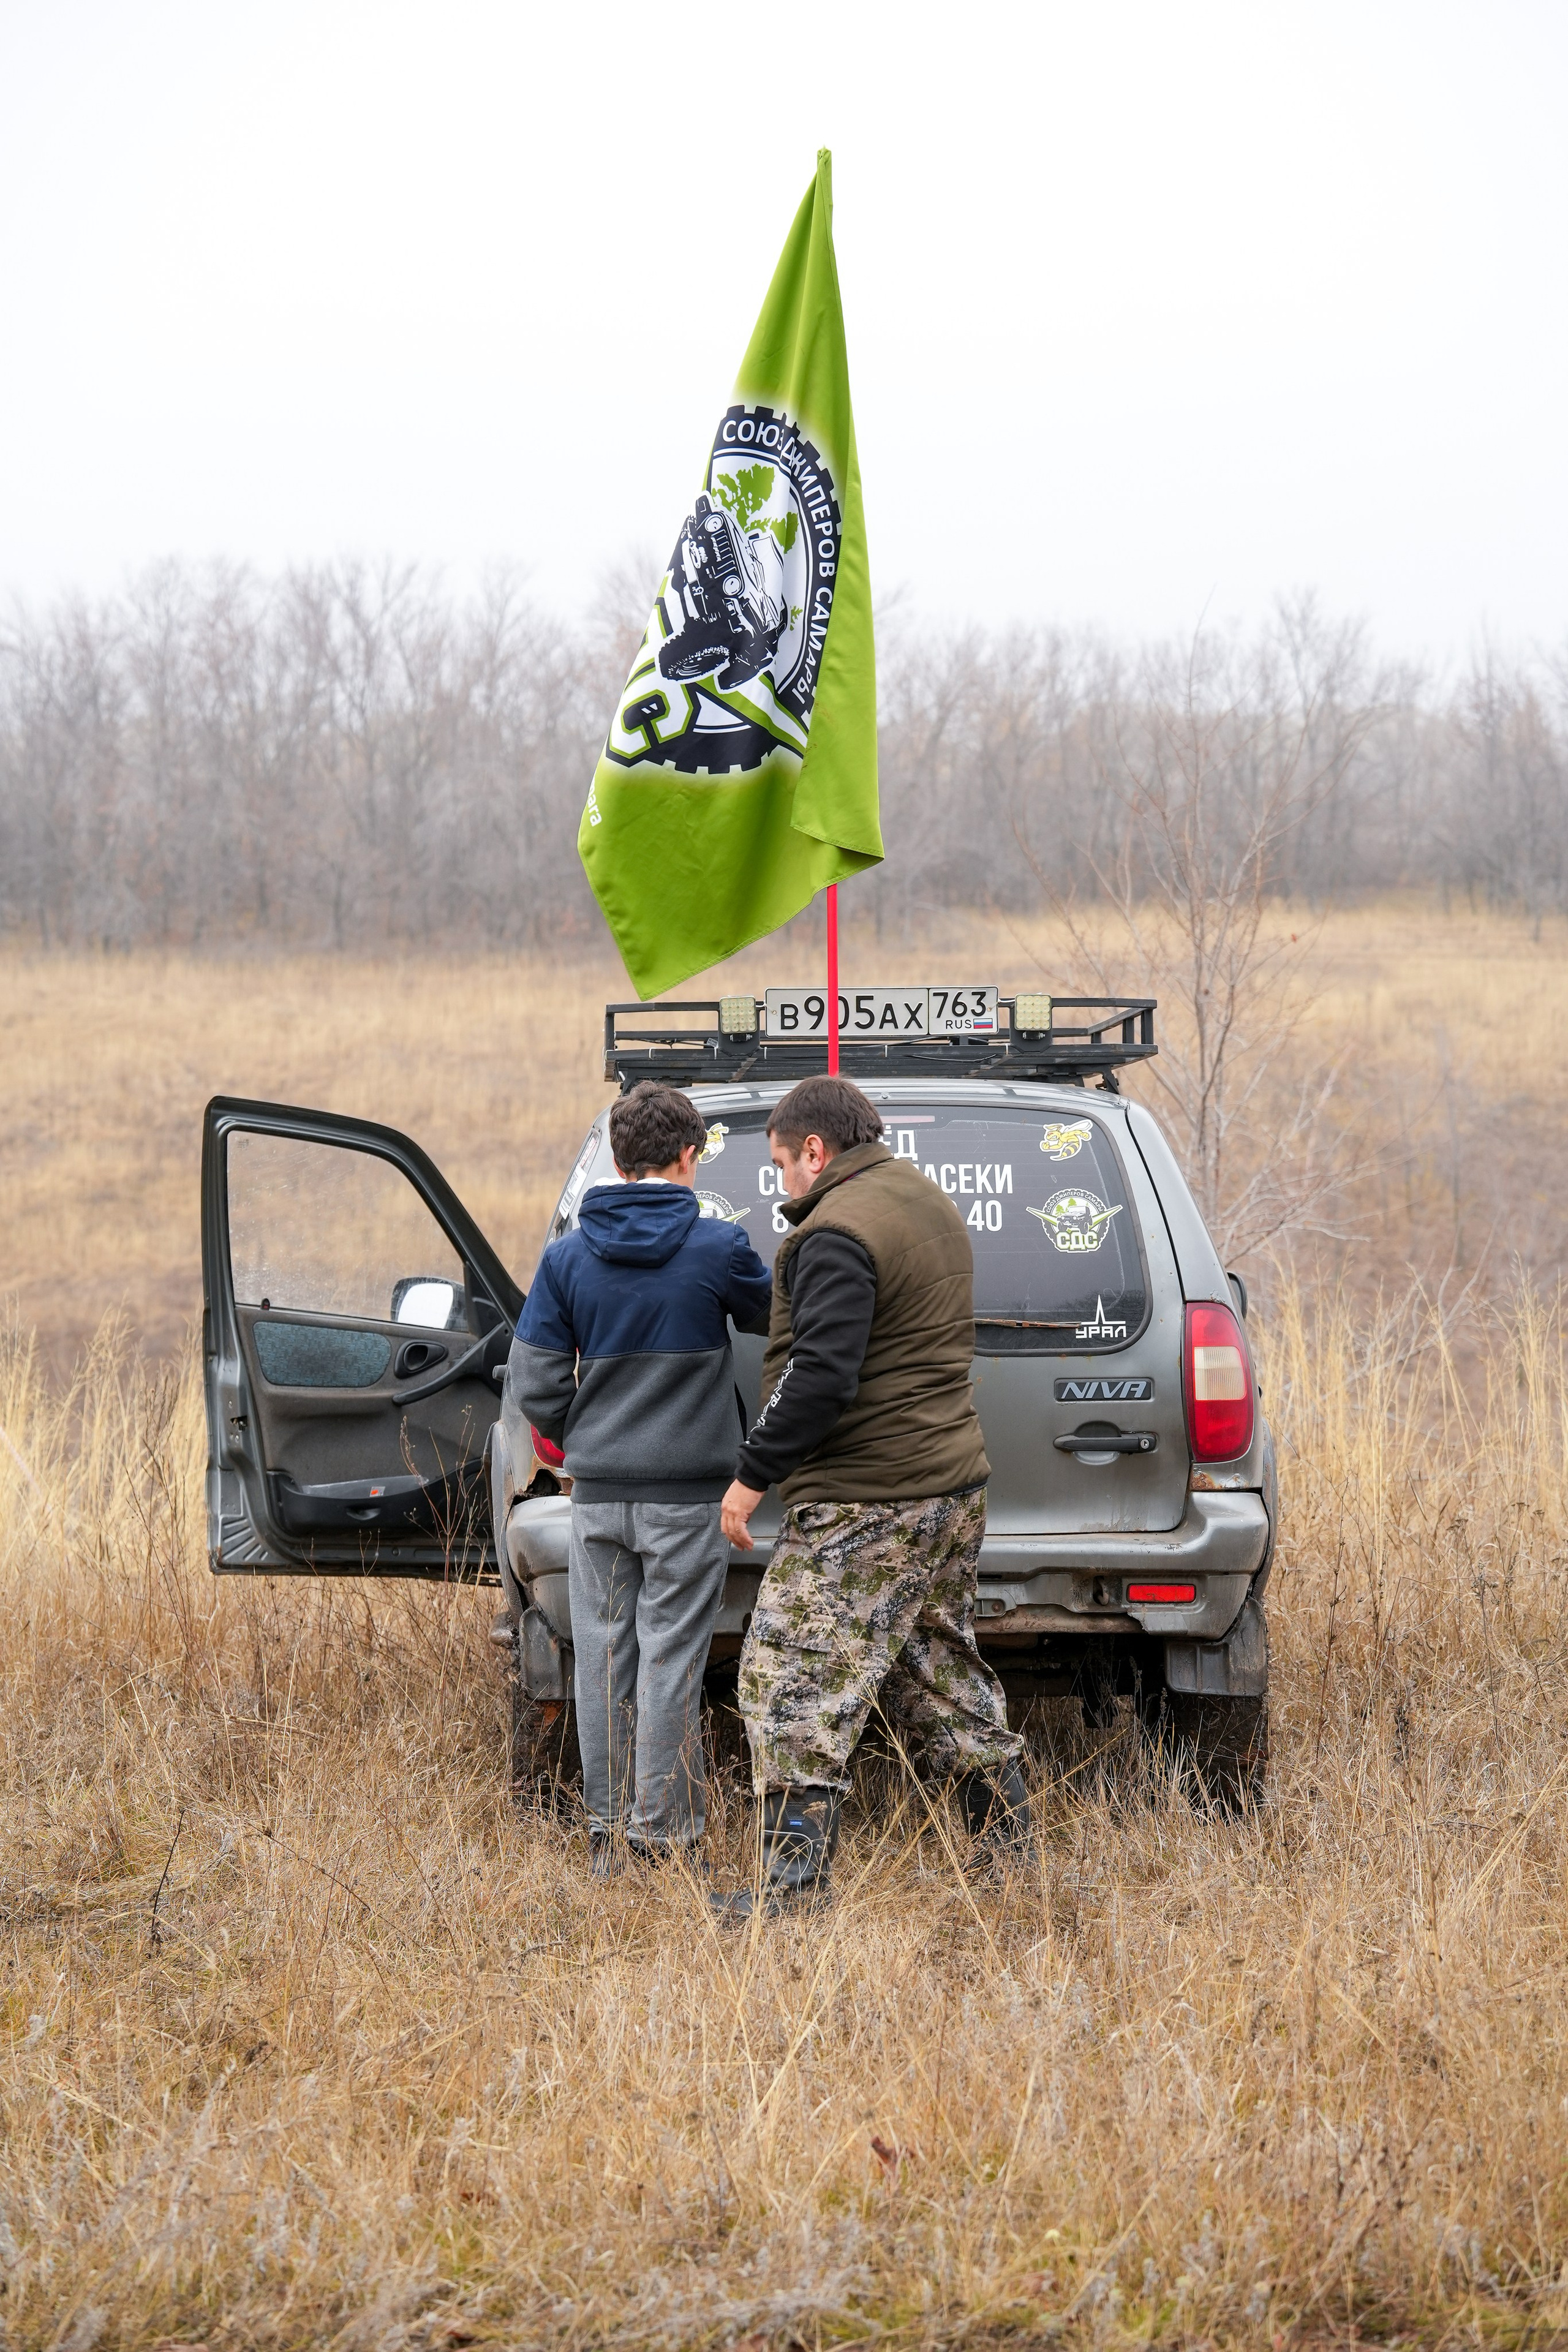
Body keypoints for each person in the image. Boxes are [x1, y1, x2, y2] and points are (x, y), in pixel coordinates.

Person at [716, 1074, 1028, 1917]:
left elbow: (820, 1376)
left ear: (816, 1152)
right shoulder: (921, 1197)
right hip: (949, 1487)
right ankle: (1012, 1860)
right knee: (938, 1670)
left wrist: (749, 1479)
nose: (783, 1182)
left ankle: (792, 1893)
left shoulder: (834, 1234)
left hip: (868, 1499)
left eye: (782, 1164)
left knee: (789, 1680)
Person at [508, 1081, 772, 1875]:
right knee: (669, 1662)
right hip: (690, 1499)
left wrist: (580, 1440)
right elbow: (780, 1318)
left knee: (604, 1660)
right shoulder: (718, 1248)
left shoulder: (566, 1258)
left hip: (600, 1498)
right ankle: (664, 1838)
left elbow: (534, 1383)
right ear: (689, 1156)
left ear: (619, 1160)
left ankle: (606, 1840)